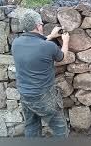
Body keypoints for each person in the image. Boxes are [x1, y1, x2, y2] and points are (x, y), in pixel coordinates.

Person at [11, 10, 70, 138]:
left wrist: (51, 35)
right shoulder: (48, 47)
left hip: (25, 95)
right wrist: (65, 41)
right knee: (59, 128)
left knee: (32, 126)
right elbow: (63, 57)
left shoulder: (16, 43)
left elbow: (36, 46)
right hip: (43, 96)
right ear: (38, 26)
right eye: (41, 24)